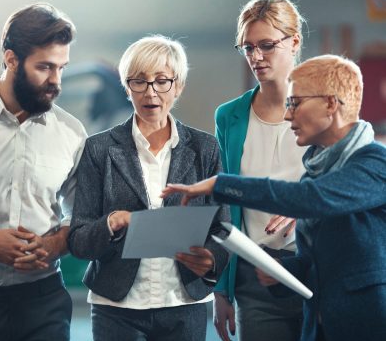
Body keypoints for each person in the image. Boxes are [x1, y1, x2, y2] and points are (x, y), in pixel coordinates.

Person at [162, 54, 386, 341]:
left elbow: (309, 199)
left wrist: (222, 183)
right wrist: (281, 271)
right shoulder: (317, 171)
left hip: (367, 325)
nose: (288, 114)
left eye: (295, 103)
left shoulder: (375, 163)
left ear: (331, 103)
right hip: (321, 325)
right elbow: (318, 261)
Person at [67, 35, 230, 341]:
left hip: (184, 304)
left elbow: (222, 228)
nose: (151, 91)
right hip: (116, 305)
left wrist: (211, 261)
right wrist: (111, 222)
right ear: (127, 88)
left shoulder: (205, 148)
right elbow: (78, 240)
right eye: (139, 81)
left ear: (178, 86)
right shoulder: (98, 149)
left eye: (162, 81)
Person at [0, 3, 87, 341]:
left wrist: (54, 245)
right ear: (11, 59)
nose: (55, 81)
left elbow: (81, 214)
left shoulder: (72, 133)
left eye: (61, 68)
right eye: (44, 67)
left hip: (44, 299)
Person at [213, 0, 307, 340]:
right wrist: (221, 289)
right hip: (255, 276)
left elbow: (344, 189)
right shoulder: (229, 117)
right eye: (248, 47)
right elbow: (224, 205)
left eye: (266, 45)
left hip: (317, 266)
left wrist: (304, 209)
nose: (256, 57)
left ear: (294, 41)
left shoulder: (325, 108)